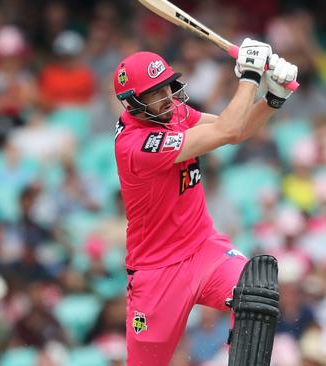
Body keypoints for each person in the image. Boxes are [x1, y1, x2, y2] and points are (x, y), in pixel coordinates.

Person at [113, 38, 297, 366]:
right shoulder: (136, 146)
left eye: (166, 87)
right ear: (132, 103)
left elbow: (237, 131)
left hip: (204, 249)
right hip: (158, 273)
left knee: (254, 293)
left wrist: (273, 96)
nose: (166, 98)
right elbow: (226, 130)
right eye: (153, 94)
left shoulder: (175, 113)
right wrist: (250, 77)